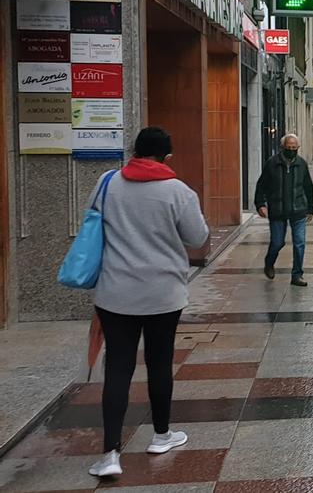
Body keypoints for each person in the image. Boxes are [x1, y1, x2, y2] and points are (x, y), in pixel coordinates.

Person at [88, 127, 209, 479]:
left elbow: (95, 223)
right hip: (163, 294)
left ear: (135, 151)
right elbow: (198, 238)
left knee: (118, 368)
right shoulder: (179, 192)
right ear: (167, 155)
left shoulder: (107, 183)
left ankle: (110, 453)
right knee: (159, 363)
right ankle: (161, 435)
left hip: (115, 294)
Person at [254, 134, 313, 286]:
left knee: (299, 243)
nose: (292, 150)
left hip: (298, 210)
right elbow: (261, 185)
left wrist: (311, 209)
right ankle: (269, 262)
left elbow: (308, 187)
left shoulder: (301, 164)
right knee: (277, 243)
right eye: (289, 148)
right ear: (282, 147)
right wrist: (260, 204)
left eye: (294, 148)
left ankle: (297, 275)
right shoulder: (272, 164)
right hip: (277, 210)